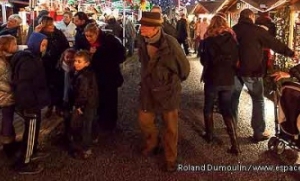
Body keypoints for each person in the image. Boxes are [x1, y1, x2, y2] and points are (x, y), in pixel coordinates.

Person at [231, 9, 294, 142]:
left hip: (235, 70)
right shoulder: (257, 30)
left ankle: (231, 127)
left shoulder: (232, 30)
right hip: (253, 71)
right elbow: (274, 43)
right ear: (251, 17)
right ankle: (258, 132)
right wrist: (291, 53)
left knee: (234, 98)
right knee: (258, 100)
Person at [138, 11, 190, 172]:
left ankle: (170, 158)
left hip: (168, 90)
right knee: (144, 120)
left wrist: (170, 81)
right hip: (148, 88)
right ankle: (153, 143)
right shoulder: (141, 39)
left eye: (145, 26)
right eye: (141, 25)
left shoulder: (170, 42)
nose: (141, 29)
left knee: (170, 127)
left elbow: (185, 68)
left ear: (155, 28)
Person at [199, 14, 240, 155]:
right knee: (226, 109)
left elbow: (203, 60)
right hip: (228, 78)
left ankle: (209, 135)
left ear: (212, 24)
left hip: (212, 78)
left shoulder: (208, 40)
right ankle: (235, 144)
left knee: (208, 107)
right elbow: (236, 59)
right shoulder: (233, 40)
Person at [10, 32, 50, 175]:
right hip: (30, 103)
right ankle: (24, 162)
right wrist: (29, 104)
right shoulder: (28, 61)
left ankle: (32, 151)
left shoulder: (33, 57)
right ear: (35, 43)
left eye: (46, 45)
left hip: (34, 101)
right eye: (42, 45)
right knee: (31, 130)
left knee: (32, 130)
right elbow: (23, 85)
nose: (44, 48)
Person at [83, 23, 126, 133]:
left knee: (110, 100)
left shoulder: (109, 41)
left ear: (97, 33)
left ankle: (110, 124)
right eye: (86, 36)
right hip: (94, 78)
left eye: (91, 36)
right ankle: (99, 122)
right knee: (97, 100)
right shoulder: (86, 44)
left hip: (109, 77)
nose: (88, 39)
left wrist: (100, 54)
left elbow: (121, 56)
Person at [35, 16, 69, 117]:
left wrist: (63, 57)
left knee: (59, 85)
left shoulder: (58, 33)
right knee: (48, 86)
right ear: (44, 25)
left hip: (58, 64)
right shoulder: (39, 34)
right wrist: (35, 33)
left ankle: (58, 106)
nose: (52, 26)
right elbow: (32, 46)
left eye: (52, 24)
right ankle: (50, 106)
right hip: (46, 64)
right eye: (49, 25)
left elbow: (66, 46)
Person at [68, 50, 99, 159]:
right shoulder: (88, 73)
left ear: (87, 63)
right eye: (75, 61)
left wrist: (79, 106)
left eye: (79, 61)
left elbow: (83, 94)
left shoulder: (83, 77)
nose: (76, 63)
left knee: (85, 125)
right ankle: (95, 137)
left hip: (85, 104)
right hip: (92, 102)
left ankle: (86, 148)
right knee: (92, 120)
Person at [0, 35, 18, 157]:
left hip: (4, 94)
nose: (17, 46)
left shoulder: (5, 58)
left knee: (7, 119)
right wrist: (13, 89)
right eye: (14, 44)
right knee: (7, 119)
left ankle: (9, 142)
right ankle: (8, 146)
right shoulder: (2, 63)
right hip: (5, 95)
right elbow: (5, 81)